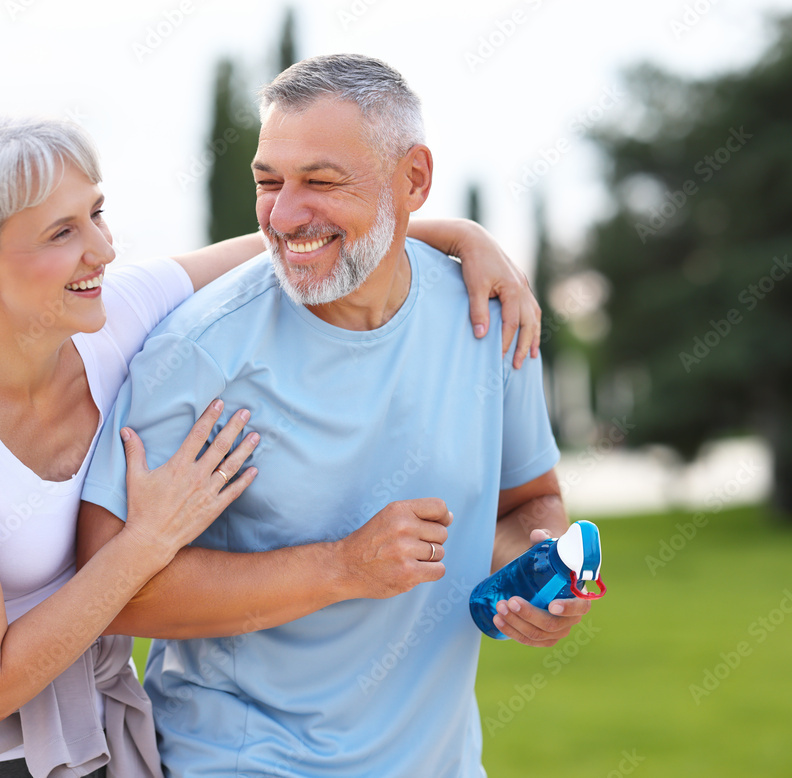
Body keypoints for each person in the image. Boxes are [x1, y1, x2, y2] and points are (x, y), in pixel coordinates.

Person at [0, 114, 541, 778]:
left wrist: (460, 236)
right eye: (61, 234)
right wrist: (148, 542)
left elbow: (286, 248)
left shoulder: (114, 309)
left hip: (92, 723)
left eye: (97, 214)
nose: (103, 250)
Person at [78, 54, 592, 778]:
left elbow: (529, 501)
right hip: (241, 760)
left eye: (319, 182)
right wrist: (342, 567)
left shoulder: (491, 318)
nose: (284, 216)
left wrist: (541, 577)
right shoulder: (197, 353)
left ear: (412, 179)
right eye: (269, 183)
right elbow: (113, 589)